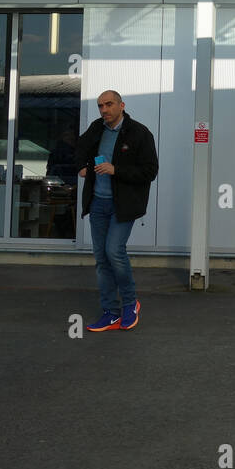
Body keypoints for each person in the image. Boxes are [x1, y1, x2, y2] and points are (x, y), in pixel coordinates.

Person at [74, 90, 159, 332]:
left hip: (123, 205)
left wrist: (115, 170)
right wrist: (81, 166)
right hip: (98, 203)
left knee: (114, 252)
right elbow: (79, 147)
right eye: (100, 106)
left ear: (121, 105)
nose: (104, 110)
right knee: (101, 258)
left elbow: (150, 171)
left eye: (109, 105)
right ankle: (111, 312)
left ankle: (130, 303)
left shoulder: (139, 133)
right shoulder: (96, 128)